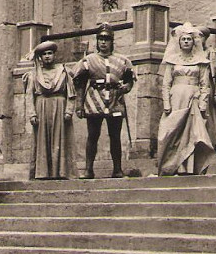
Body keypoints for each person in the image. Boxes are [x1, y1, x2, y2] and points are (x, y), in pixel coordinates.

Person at [73, 25, 136, 178]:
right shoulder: (88, 60)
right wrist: (79, 105)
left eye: (106, 39)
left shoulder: (122, 61)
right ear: (97, 41)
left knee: (115, 135)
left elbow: (129, 80)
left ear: (112, 42)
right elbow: (79, 83)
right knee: (93, 135)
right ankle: (88, 170)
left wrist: (126, 87)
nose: (103, 43)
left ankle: (117, 169)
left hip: (115, 100)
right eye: (101, 39)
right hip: (95, 100)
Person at [157, 23, 215, 176]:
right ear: (179, 42)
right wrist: (166, 103)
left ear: (194, 41)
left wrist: (203, 103)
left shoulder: (201, 61)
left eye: (189, 39)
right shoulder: (172, 60)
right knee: (173, 132)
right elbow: (166, 84)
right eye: (183, 39)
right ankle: (174, 166)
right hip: (176, 99)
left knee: (193, 132)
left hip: (193, 100)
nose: (186, 42)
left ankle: (190, 167)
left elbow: (205, 84)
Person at [23, 40, 77, 180]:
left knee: (61, 138)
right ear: (40, 57)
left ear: (54, 55)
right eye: (44, 54)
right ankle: (42, 173)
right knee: (42, 139)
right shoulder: (33, 74)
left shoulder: (64, 72)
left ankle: (61, 172)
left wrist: (69, 111)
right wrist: (32, 113)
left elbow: (71, 93)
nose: (47, 56)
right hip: (41, 107)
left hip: (60, 106)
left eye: (50, 53)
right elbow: (29, 95)